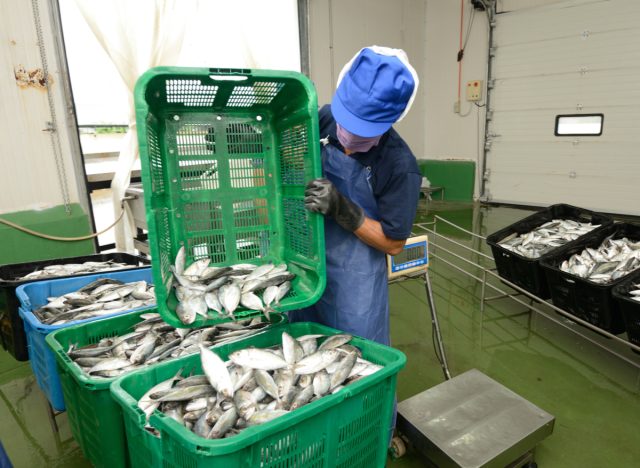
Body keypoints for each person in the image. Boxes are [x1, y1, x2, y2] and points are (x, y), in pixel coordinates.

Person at [291, 46, 422, 347]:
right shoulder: (323, 118)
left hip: (355, 281)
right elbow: (282, 139)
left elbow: (394, 243)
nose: (349, 136)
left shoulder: (400, 166)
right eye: (346, 121)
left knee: (355, 355)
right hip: (306, 261)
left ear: (390, 121)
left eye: (363, 131)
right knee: (301, 347)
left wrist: (343, 210)